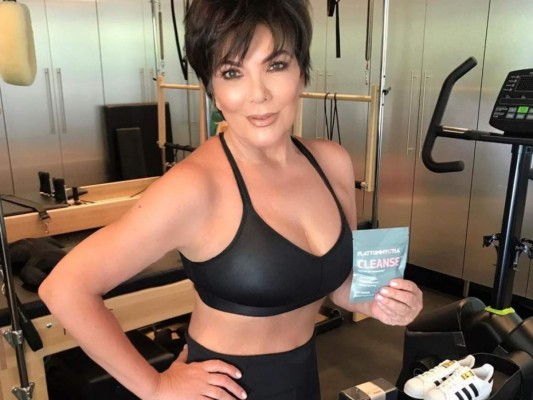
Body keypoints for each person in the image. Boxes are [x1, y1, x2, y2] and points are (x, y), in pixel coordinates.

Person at [39, 0, 423, 399]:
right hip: (224, 389)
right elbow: (66, 288)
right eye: (232, 73)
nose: (259, 94)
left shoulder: (332, 162)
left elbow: (338, 284)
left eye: (276, 65)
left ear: (301, 73)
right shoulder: (195, 186)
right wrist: (155, 386)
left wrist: (379, 302)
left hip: (302, 379)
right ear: (214, 90)